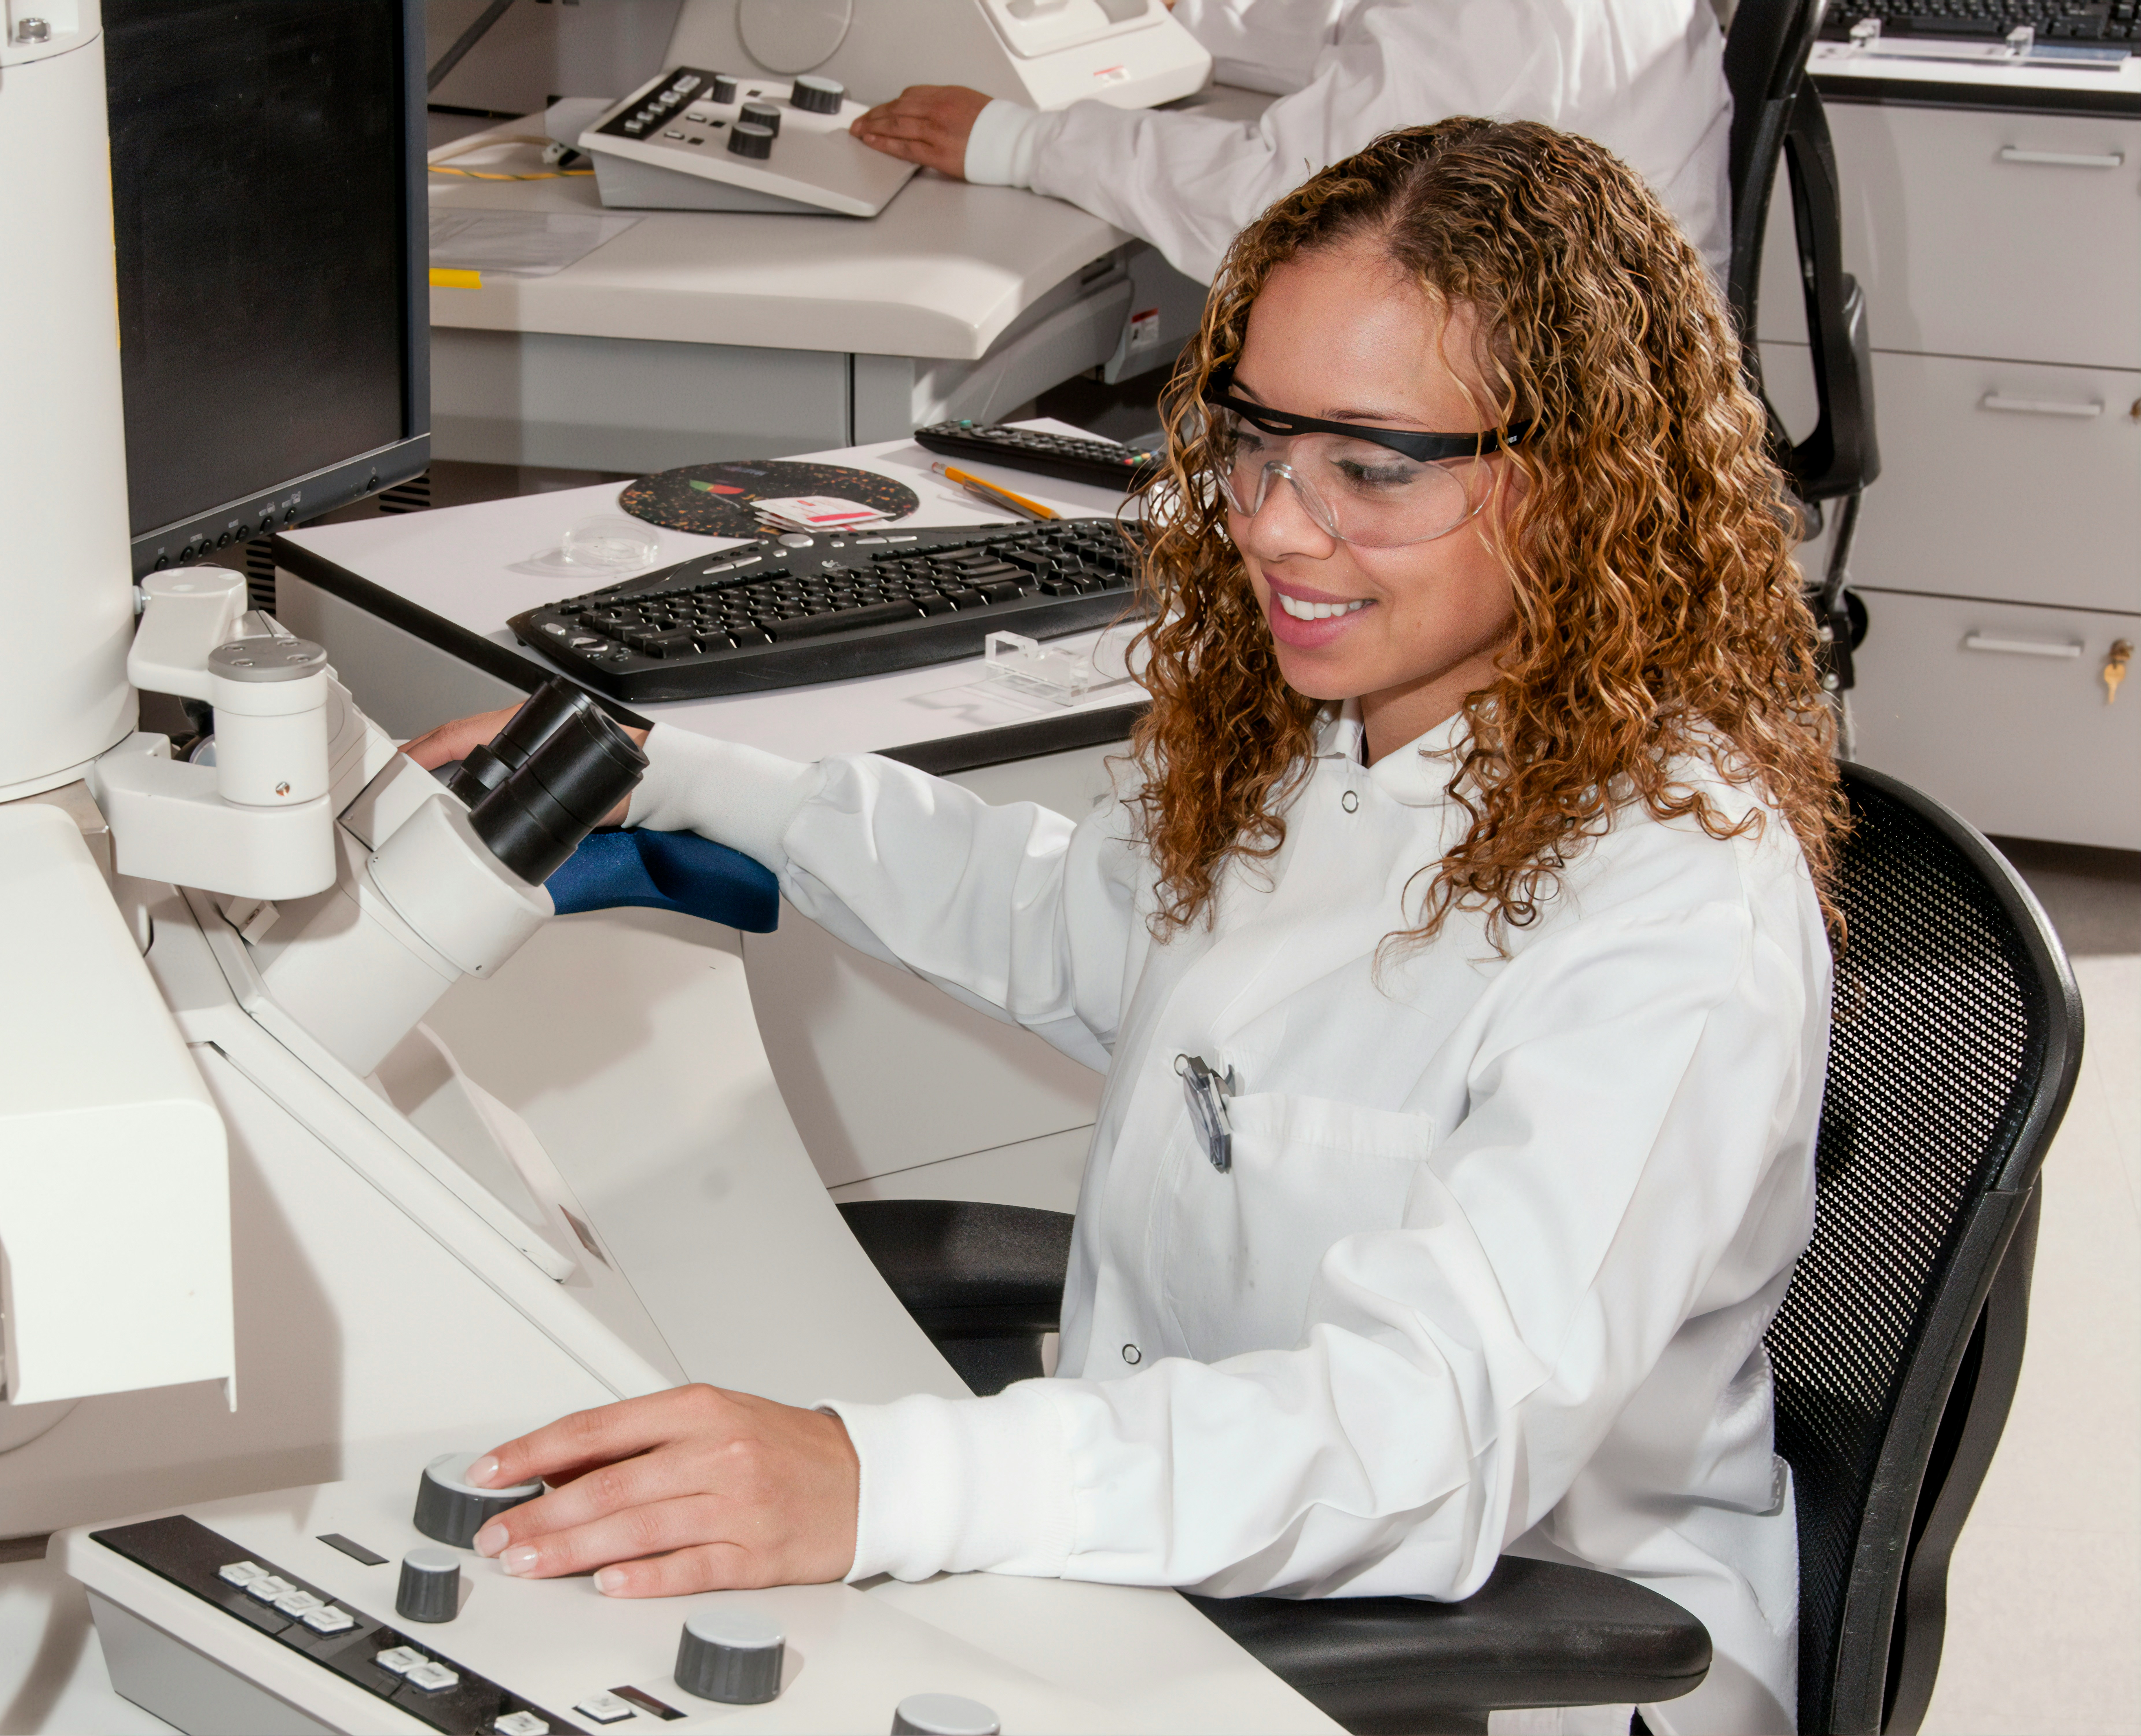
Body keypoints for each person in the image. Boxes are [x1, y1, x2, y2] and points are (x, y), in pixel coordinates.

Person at [403, 119, 1843, 1733]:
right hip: (1190, 1564)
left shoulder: (1669, 911)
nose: (1278, 528)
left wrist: (884, 1477)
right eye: (1254, 445)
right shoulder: (1357, 736)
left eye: (1370, 468)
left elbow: (1424, 1442)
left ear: (1582, 477)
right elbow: (1061, 917)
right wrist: (685, 782)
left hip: (1500, 1666)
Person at [849, 0, 1735, 283]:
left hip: (1531, 418)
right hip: (1595, 374)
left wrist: (1016, 141)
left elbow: (1289, 218)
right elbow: (1361, 34)